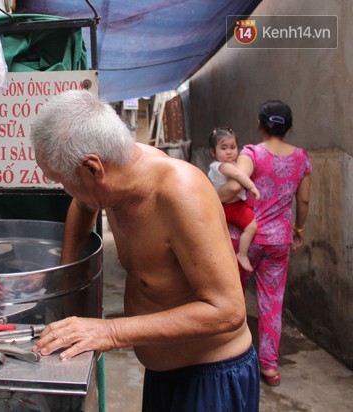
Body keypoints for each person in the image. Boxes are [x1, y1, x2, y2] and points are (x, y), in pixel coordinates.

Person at [30, 90, 260, 411]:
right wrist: (64, 277)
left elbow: (228, 311)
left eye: (62, 181)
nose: (65, 190)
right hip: (162, 372)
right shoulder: (115, 172)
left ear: (93, 169)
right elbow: (82, 203)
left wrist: (110, 331)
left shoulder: (179, 192)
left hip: (209, 379)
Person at [217, 100, 311, 387]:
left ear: (259, 125)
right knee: (271, 304)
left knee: (232, 296)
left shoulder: (252, 153)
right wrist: (299, 228)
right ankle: (269, 367)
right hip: (278, 241)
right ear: (288, 127)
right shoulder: (302, 158)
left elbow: (234, 186)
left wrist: (210, 196)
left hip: (244, 235)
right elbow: (303, 200)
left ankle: (229, 357)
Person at [208, 127, 261, 272]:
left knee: (221, 236)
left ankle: (237, 255)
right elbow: (239, 176)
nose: (229, 151)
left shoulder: (223, 165)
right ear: (213, 152)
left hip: (228, 207)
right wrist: (253, 188)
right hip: (230, 207)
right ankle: (242, 254)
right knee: (251, 228)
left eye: (233, 147)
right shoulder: (223, 166)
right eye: (223, 148)